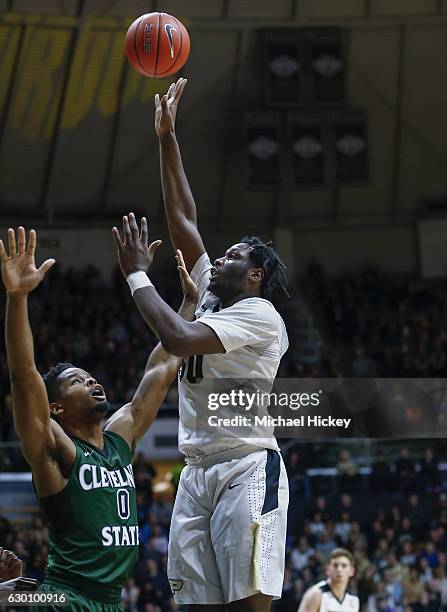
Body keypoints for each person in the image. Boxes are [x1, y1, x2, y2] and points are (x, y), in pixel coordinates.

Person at [111, 77, 289, 611]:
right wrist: (168, 136)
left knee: (247, 605)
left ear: (254, 275)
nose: (221, 258)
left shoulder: (259, 316)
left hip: (246, 466)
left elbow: (179, 338)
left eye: (234, 256)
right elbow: (183, 218)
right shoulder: (213, 293)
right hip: (194, 473)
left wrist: (137, 277)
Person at [0, 227, 197, 611]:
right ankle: (9, 594)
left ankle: (7, 593)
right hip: (65, 596)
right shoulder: (56, 449)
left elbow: (162, 368)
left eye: (90, 376)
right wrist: (18, 297)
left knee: (11, 597)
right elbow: (23, 376)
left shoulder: (120, 436)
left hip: (111, 601)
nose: (91, 381)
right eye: (77, 381)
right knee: (18, 599)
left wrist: (188, 307)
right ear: (55, 408)